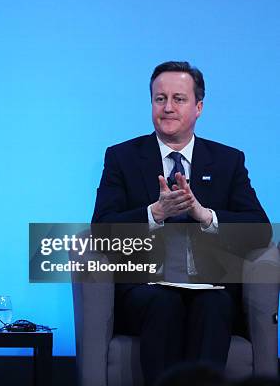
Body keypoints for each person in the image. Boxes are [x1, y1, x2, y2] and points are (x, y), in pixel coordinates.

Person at [91, 61, 270, 386]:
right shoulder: (122, 157)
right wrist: (153, 214)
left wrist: (207, 217)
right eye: (160, 99)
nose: (168, 107)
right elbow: (102, 229)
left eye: (178, 98)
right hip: (146, 288)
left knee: (214, 303)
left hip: (211, 286)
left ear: (198, 107)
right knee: (163, 301)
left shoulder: (229, 160)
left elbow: (260, 230)